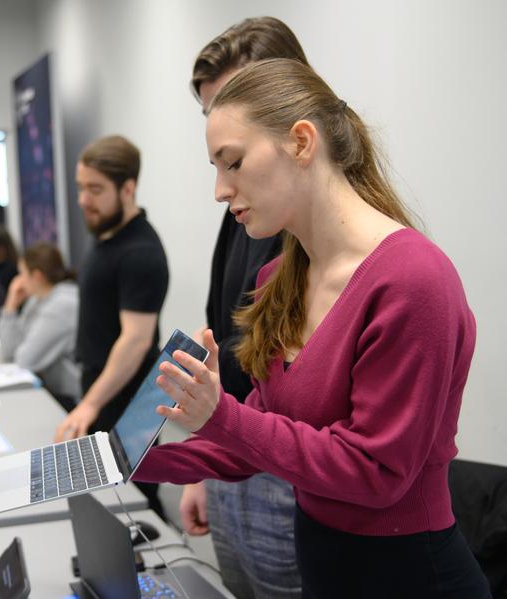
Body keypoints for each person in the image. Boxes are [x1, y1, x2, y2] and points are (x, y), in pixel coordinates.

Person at [134, 58, 490, 598]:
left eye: (232, 163)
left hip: (408, 575)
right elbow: (258, 433)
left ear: (301, 142)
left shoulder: (413, 281)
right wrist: (129, 462)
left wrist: (220, 414)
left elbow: (375, 470)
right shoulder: (283, 275)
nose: (219, 190)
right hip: (327, 565)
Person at [177, 17, 309, 599]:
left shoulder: (316, 234)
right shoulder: (243, 212)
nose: (223, 185)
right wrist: (204, 462)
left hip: (286, 476)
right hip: (232, 457)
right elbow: (221, 341)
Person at [54, 135, 169, 516]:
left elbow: (135, 341)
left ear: (128, 188)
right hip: (103, 389)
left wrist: (90, 403)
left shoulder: (141, 252)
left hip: (128, 397)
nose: (83, 200)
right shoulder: (108, 237)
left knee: (136, 502)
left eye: (95, 190)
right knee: (108, 498)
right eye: (80, 188)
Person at [0, 242, 81, 408]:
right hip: (50, 390)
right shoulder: (36, 300)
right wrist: (10, 305)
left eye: (22, 274)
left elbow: (24, 360)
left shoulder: (62, 306)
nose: (18, 281)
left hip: (72, 399)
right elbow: (9, 350)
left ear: (37, 276)